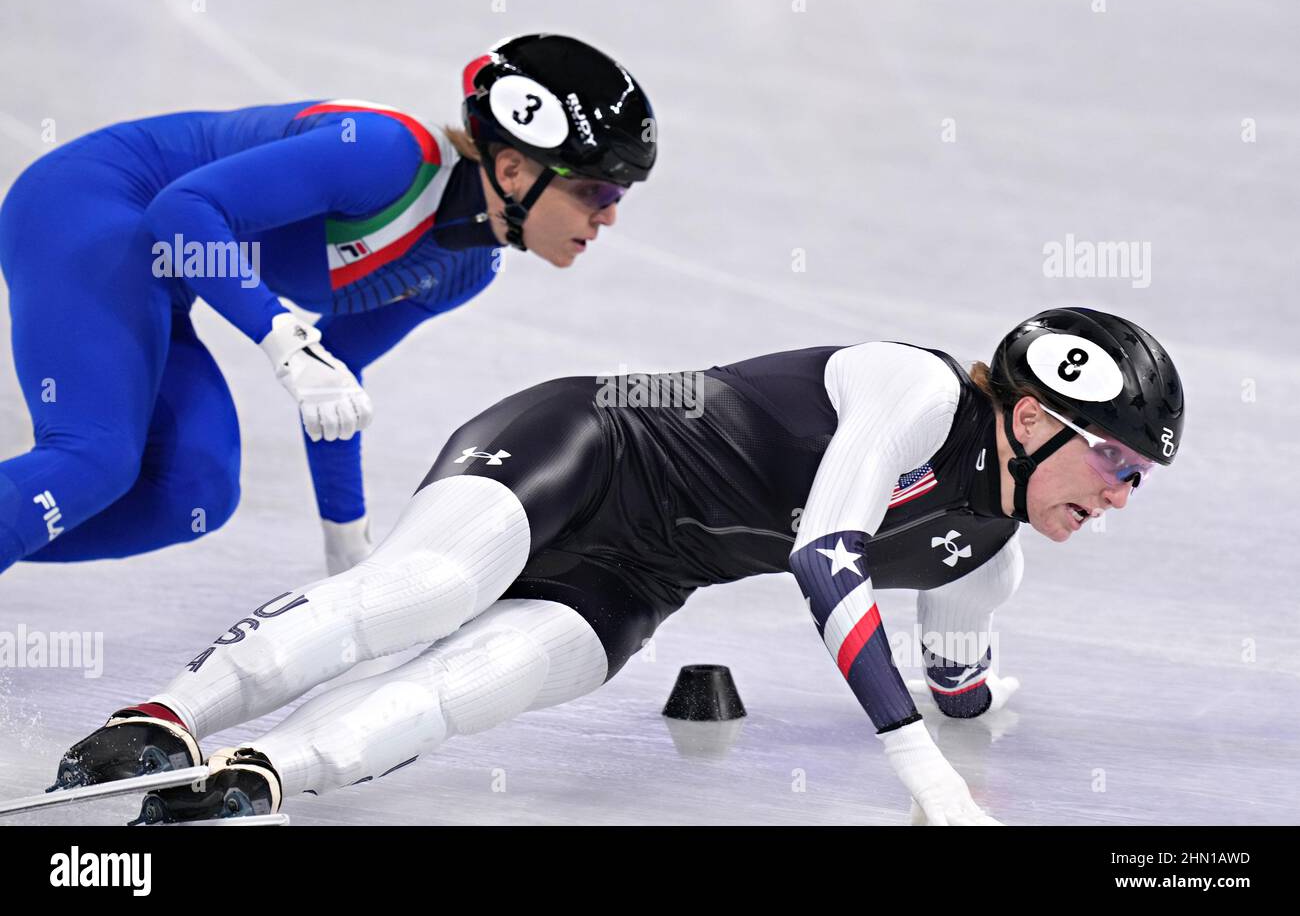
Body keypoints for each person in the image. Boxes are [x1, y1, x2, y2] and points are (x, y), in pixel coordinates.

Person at [52, 307, 1184, 825]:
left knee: (471, 683)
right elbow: (825, 553)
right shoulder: (918, 387)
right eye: (1118, 460)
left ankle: (255, 777)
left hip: (644, 572)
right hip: (586, 443)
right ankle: (166, 711)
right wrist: (925, 779)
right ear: (1032, 416)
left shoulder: (987, 558)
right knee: (425, 593)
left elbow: (962, 682)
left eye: (1140, 476)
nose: (1122, 495)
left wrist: (968, 707)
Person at [0, 33, 656, 576]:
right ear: (513, 169)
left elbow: (336, 377)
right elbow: (183, 209)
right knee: (97, 458)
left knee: (194, 491)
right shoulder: (388, 157)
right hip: (94, 204)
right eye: (597, 191)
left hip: (161, 267)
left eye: (619, 198)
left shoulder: (464, 269)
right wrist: (282, 339)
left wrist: (349, 552)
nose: (608, 218)